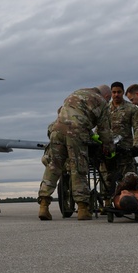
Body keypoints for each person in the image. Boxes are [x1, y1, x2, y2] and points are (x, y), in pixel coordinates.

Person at [36, 86, 113, 221]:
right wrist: (109, 147)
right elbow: (104, 130)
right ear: (107, 96)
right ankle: (83, 208)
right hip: (77, 132)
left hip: (57, 130)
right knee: (78, 167)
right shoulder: (101, 101)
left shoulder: (76, 93)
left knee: (54, 166)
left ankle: (43, 205)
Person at [103, 81, 138, 197]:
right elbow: (99, 128)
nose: (116, 95)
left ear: (123, 92)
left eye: (119, 92)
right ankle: (108, 201)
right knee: (106, 176)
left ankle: (128, 200)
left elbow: (137, 129)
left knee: (128, 177)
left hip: (126, 150)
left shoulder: (132, 109)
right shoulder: (104, 108)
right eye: (113, 92)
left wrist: (137, 148)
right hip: (108, 150)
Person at [36, 108, 66, 221]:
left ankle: (43, 205)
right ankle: (83, 208)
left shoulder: (53, 126)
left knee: (50, 175)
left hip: (53, 160)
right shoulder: (77, 124)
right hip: (72, 160)